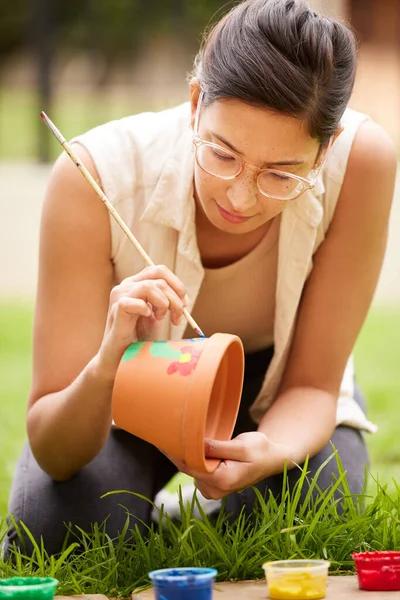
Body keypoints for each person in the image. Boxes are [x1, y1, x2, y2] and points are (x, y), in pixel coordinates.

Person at [5, 0, 397, 557]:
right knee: (57, 528)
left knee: (307, 517)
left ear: (325, 148)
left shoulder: (361, 162)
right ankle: (170, 507)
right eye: (223, 154)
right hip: (133, 384)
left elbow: (312, 384)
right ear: (194, 103)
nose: (240, 197)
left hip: (276, 385)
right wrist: (106, 363)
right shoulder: (93, 177)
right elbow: (55, 447)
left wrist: (270, 449)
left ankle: (194, 510)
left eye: (281, 173)